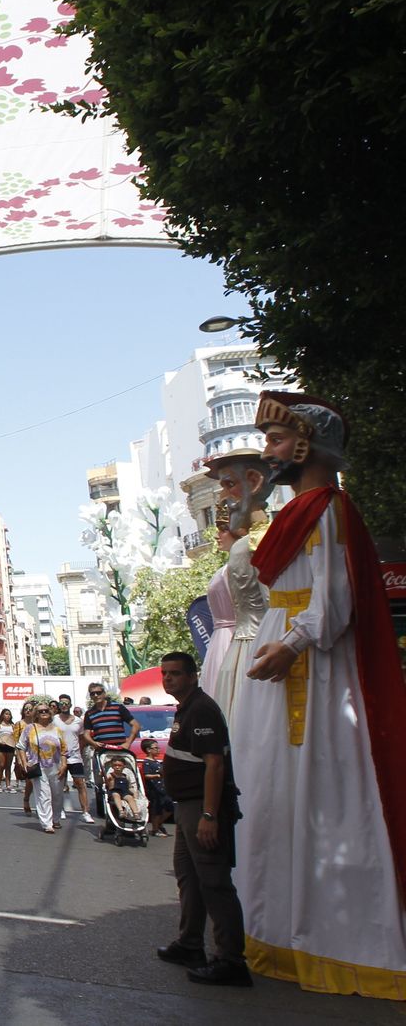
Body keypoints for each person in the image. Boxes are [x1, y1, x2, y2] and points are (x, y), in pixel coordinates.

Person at [235, 391, 406, 997]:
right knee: (274, 799)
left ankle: (339, 942)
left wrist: (293, 645)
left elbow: (333, 598)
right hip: (281, 663)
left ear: (306, 444)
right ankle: (280, 932)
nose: (269, 451)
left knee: (324, 797)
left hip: (311, 673)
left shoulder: (328, 508)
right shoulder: (298, 511)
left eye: (277, 440)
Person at [156, 652, 250, 987]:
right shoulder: (187, 707)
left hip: (202, 807)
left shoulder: (201, 708)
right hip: (187, 806)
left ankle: (231, 961)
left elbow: (215, 764)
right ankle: (190, 944)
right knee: (189, 877)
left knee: (213, 881)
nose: (168, 679)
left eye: (176, 674)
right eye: (165, 673)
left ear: (193, 676)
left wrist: (209, 815)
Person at [200, 450, 273, 721]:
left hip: (254, 646)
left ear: (254, 482)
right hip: (237, 648)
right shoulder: (245, 547)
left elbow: (274, 602)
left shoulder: (255, 543)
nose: (223, 497)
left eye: (229, 485)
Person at [19, 701, 66, 834]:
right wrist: (24, 762)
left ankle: (56, 819)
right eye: (40, 711)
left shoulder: (57, 729)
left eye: (46, 710)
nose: (44, 712)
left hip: (56, 765)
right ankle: (47, 823)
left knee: (57, 795)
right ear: (36, 714)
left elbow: (63, 750)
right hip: (38, 766)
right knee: (43, 795)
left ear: (50, 713)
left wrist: (64, 764)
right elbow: (21, 746)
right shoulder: (30, 728)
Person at [55, 702, 95, 823]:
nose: (64, 705)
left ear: (70, 705)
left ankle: (85, 812)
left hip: (75, 757)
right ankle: (59, 809)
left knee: (80, 783)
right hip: (59, 757)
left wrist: (79, 751)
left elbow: (82, 738)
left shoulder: (78, 721)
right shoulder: (54, 719)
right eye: (61, 703)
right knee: (59, 785)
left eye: (66, 703)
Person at [139, 739, 173, 837]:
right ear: (148, 750)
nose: (158, 750)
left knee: (169, 807)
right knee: (157, 809)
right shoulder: (147, 762)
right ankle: (155, 829)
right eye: (156, 748)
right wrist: (157, 775)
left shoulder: (157, 762)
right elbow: (146, 775)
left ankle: (158, 824)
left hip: (163, 788)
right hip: (154, 789)